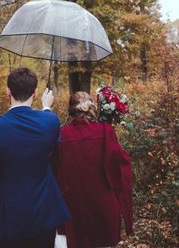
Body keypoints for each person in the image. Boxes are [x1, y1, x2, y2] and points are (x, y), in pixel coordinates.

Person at [0, 67, 71, 248]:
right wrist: (46, 106)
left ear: (8, 91)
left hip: (4, 220)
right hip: (42, 216)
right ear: (35, 92)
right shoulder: (50, 122)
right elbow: (47, 123)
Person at [53, 91, 133, 248]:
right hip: (104, 209)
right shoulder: (106, 131)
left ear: (70, 111)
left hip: (73, 210)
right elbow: (120, 166)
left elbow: (54, 173)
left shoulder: (61, 136)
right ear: (91, 108)